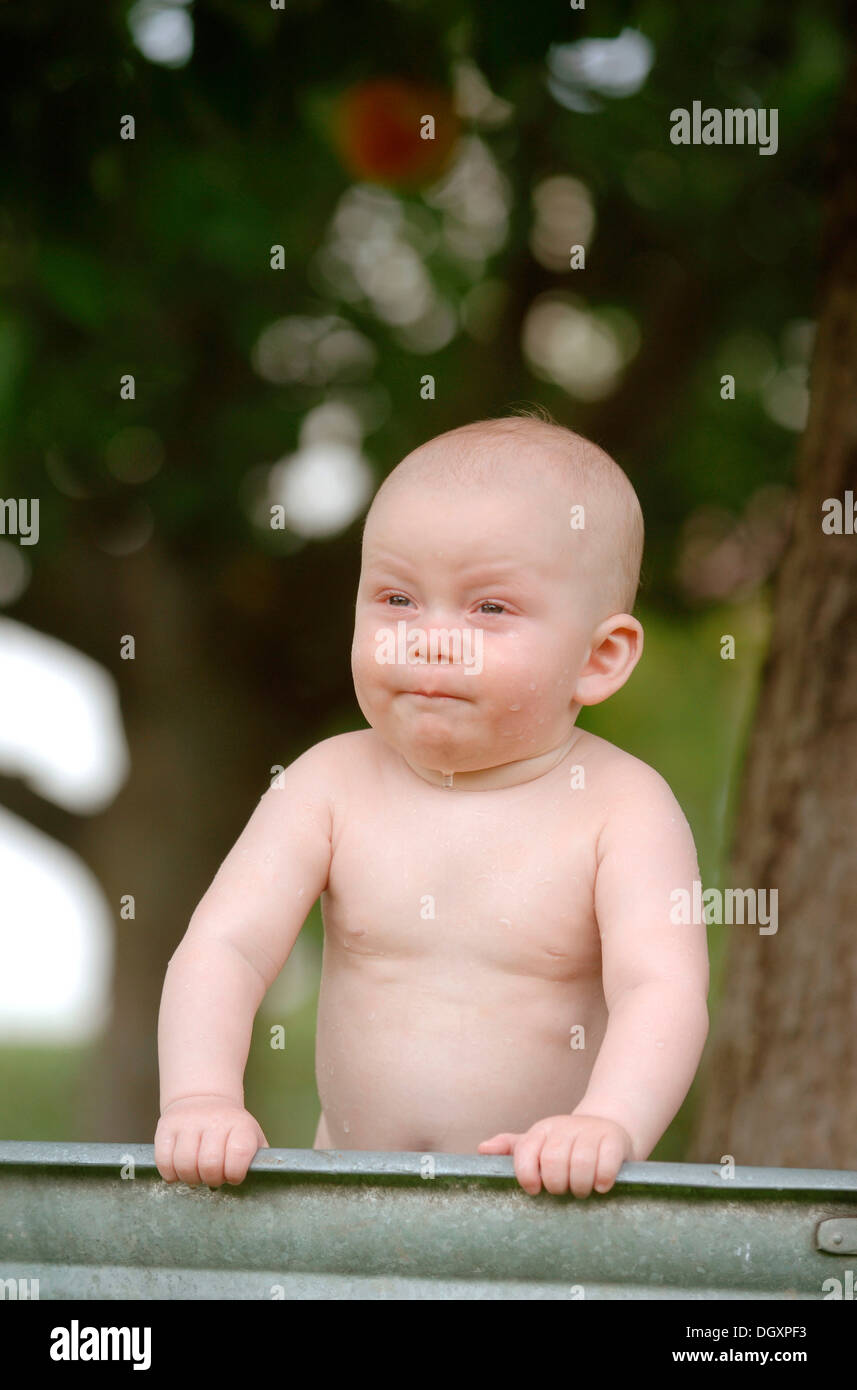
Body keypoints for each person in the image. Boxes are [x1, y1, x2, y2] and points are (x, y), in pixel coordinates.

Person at [154, 413, 709, 1198]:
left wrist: (607, 1122)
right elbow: (224, 948)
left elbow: (661, 990)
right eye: (396, 598)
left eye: (489, 610)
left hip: (549, 1216)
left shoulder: (622, 807)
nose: (430, 641)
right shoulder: (328, 782)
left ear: (598, 657)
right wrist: (201, 1097)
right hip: (351, 1208)